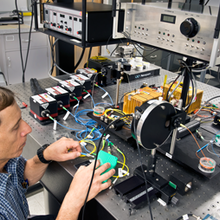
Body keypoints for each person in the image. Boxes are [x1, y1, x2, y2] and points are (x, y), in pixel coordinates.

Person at [0, 86, 115, 220]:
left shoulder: (5, 161)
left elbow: (22, 178)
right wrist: (74, 200)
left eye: (20, 120)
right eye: (15, 127)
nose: (27, 129)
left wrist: (45, 155)